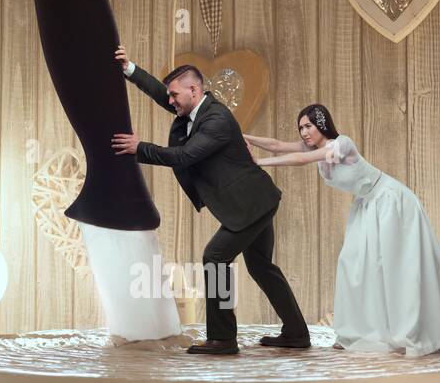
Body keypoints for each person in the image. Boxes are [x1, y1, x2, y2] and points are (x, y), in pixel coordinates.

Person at [112, 47, 310, 355]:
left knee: (215, 258)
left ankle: (222, 339)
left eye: (176, 95)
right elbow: (160, 94)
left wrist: (139, 148)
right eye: (171, 96)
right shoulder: (192, 109)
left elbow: (185, 155)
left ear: (194, 90)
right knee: (261, 267)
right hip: (257, 199)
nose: (171, 100)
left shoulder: (217, 119)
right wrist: (130, 70)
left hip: (249, 205)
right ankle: (296, 333)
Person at [246, 104, 440, 356]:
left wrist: (258, 163)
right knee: (353, 264)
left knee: (401, 266)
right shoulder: (314, 147)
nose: (304, 133)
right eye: (300, 128)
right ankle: (358, 331)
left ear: (322, 124)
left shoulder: (342, 144)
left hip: (390, 200)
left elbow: (300, 160)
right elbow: (277, 145)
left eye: (308, 126)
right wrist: (242, 136)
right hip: (367, 205)